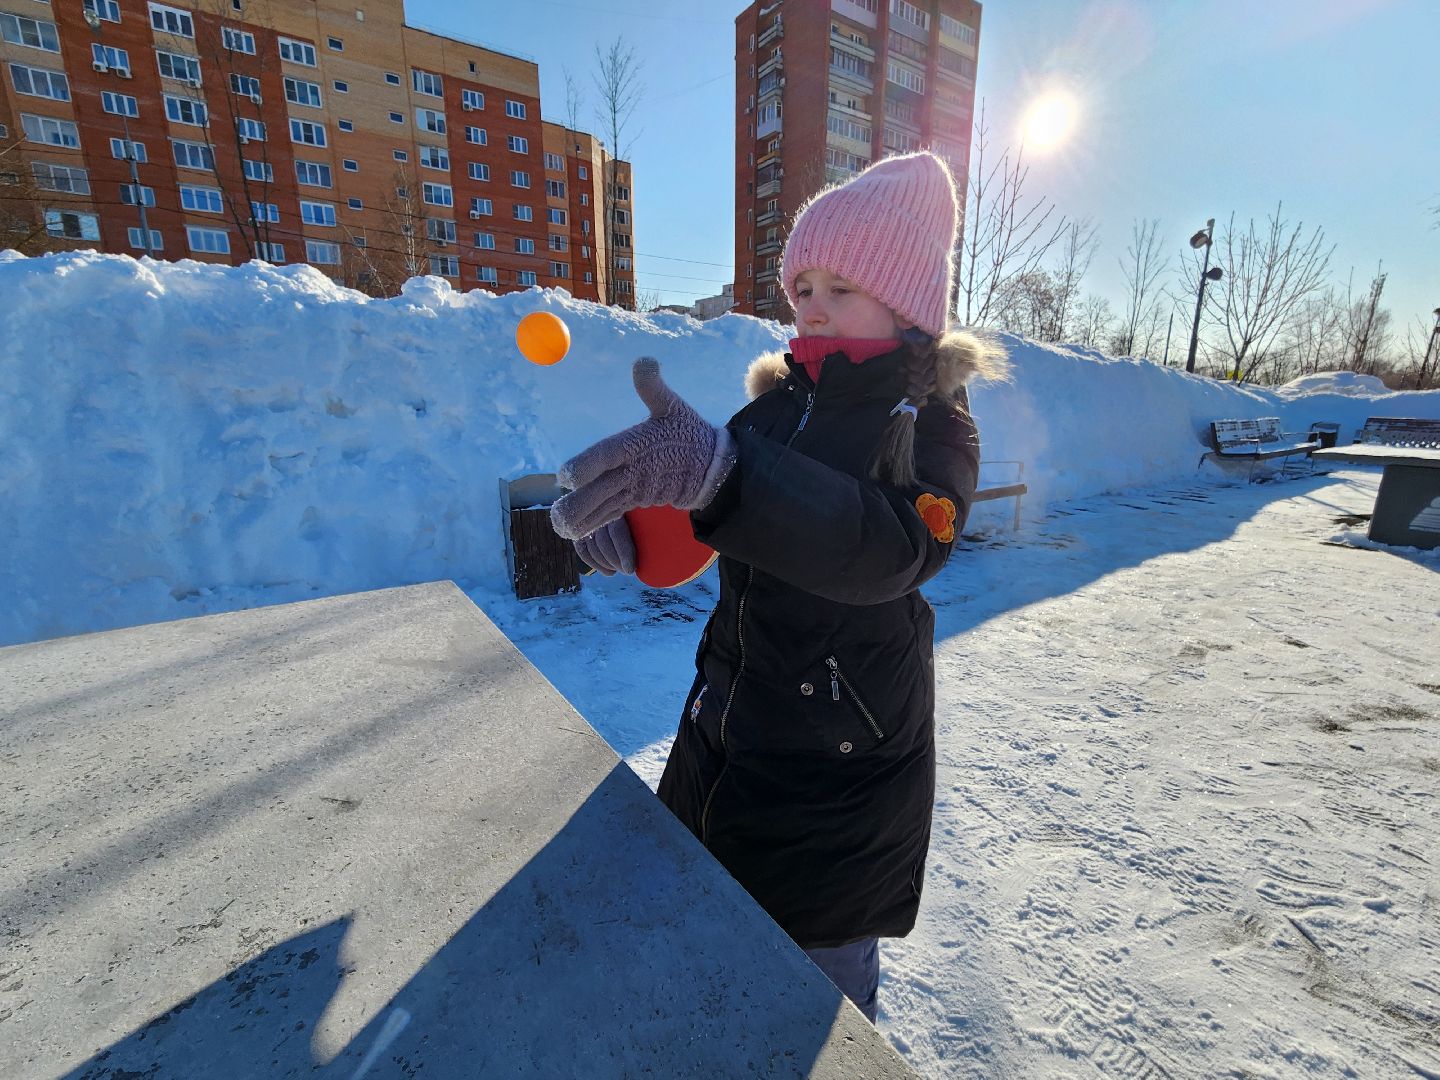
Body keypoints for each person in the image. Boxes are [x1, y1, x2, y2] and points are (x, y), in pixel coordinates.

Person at [549, 151, 1007, 1022]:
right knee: (705, 977)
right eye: (801, 286)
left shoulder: (937, 427)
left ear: (906, 304)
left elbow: (891, 550)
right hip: (720, 737)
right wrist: (635, 529)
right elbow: (709, 518)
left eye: (842, 285)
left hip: (838, 784)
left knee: (809, 1017)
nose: (813, 304)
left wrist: (724, 476)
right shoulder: (774, 405)